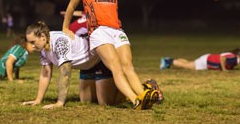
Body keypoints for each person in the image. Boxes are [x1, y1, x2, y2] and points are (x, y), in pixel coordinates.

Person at [61, 0, 155, 110]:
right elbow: (71, 6)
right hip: (99, 31)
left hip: (117, 30)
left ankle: (144, 97)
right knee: (116, 67)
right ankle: (136, 101)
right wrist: (65, 27)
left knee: (128, 66)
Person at [20, 21, 163, 109]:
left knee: (105, 102)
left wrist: (59, 102)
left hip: (98, 59)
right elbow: (45, 74)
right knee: (86, 101)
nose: (31, 46)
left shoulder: (59, 42)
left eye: (33, 42)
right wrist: (38, 100)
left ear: (43, 37)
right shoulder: (43, 48)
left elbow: (65, 73)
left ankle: (147, 87)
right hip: (85, 66)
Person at [160, 48, 240, 71]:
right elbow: (222, 58)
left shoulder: (233, 57)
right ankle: (168, 61)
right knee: (186, 66)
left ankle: (170, 59)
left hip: (207, 59)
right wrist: (224, 69)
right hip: (207, 62)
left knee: (189, 63)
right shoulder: (234, 58)